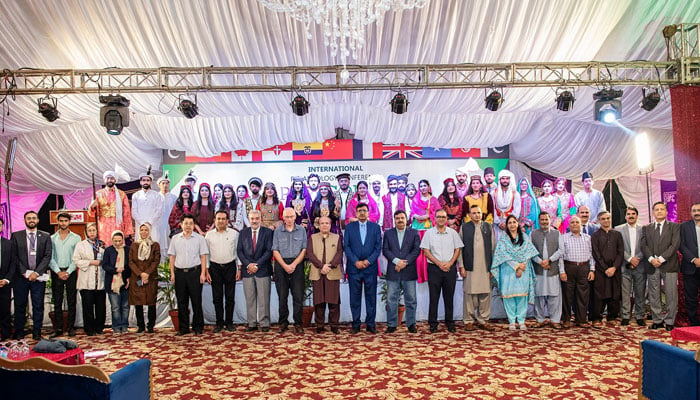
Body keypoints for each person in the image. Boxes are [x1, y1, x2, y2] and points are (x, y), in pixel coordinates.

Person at [492, 215, 538, 330]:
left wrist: (521, 267)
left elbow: (528, 253)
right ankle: (512, 321)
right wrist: (516, 266)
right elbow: (503, 255)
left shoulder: (525, 237)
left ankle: (521, 320)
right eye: (510, 223)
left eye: (514, 222)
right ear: (507, 225)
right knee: (509, 296)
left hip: (524, 269)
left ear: (518, 224)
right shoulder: (503, 239)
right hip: (508, 270)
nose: (512, 224)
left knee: (522, 296)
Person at [421, 209, 464, 333]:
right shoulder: (429, 233)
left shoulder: (452, 233)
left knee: (449, 297)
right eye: (438, 217)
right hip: (434, 268)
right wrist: (439, 264)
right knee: (434, 298)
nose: (441, 219)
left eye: (443, 217)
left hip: (449, 269)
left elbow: (457, 250)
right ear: (435, 218)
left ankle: (450, 322)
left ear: (446, 219)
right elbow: (426, 251)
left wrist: (450, 263)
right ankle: (433, 324)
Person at [12, 211, 52, 340]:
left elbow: (47, 256)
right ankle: (19, 332)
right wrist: (24, 272)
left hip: (38, 278)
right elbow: (14, 256)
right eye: (29, 218)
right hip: (20, 278)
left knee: (38, 305)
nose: (31, 220)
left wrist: (36, 272)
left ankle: (37, 332)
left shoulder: (45, 236)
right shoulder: (16, 236)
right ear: (24, 220)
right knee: (20, 305)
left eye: (34, 218)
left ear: (38, 220)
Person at [343, 203, 382, 334]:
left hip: (370, 268)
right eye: (359, 211)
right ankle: (356, 324)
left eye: (364, 211)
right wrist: (356, 261)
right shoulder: (349, 227)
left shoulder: (375, 227)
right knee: (355, 298)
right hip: (354, 269)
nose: (362, 213)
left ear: (368, 212)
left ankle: (371, 324)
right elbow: (346, 247)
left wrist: (368, 261)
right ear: (356, 213)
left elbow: (378, 248)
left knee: (371, 297)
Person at [641, 201, 680, 331]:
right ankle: (657, 320)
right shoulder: (647, 228)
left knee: (671, 294)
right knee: (653, 294)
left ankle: (670, 321)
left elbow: (674, 245)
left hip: (669, 265)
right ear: (653, 212)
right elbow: (644, 245)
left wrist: (661, 259)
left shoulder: (674, 227)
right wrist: (652, 259)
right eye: (656, 209)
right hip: (652, 265)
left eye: (662, 209)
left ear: (666, 212)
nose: (659, 211)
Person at [168, 214, 209, 335]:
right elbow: (172, 257)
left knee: (196, 301)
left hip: (195, 273)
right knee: (182, 302)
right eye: (186, 223)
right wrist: (172, 273)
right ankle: (183, 328)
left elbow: (203, 256)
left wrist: (203, 273)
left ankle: (198, 327)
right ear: (181, 224)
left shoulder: (199, 239)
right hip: (180, 273)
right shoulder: (175, 238)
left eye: (191, 224)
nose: (188, 226)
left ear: (194, 225)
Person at [382, 210, 421, 333]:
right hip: (393, 270)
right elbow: (385, 250)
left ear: (406, 219)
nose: (400, 220)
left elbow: (416, 251)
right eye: (397, 218)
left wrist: (404, 263)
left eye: (402, 218)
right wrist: (397, 261)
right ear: (394, 220)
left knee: (411, 299)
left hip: (408, 270)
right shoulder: (388, 233)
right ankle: (392, 324)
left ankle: (411, 324)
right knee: (391, 299)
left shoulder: (414, 233)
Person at [459, 205, 495, 331]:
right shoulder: (464, 227)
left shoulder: (488, 227)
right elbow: (460, 249)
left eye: (479, 213)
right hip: (470, 266)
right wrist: (461, 266)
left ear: (482, 214)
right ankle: (468, 320)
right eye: (474, 213)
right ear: (469, 214)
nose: (476, 215)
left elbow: (492, 248)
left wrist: (493, 268)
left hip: (485, 266)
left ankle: (483, 320)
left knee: (485, 293)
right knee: (469, 294)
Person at [272, 208, 308, 334]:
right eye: (286, 217)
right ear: (283, 217)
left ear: (295, 217)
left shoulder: (302, 230)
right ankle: (283, 323)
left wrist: (293, 264)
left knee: (298, 296)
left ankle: (298, 323)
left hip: (297, 264)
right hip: (281, 264)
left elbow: (304, 249)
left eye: (291, 216)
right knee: (282, 296)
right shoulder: (277, 231)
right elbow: (275, 250)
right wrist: (285, 265)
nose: (289, 219)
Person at [237, 210, 274, 332]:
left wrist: (257, 265)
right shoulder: (243, 233)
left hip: (263, 270)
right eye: (252, 218)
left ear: (260, 219)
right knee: (250, 298)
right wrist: (248, 265)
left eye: (257, 218)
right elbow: (240, 251)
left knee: (264, 298)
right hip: (248, 271)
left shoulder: (268, 232)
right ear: (249, 219)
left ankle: (264, 323)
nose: (254, 221)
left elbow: (269, 251)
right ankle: (252, 323)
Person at [307, 216, 344, 334]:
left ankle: (334, 325)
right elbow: (310, 253)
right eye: (322, 223)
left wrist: (330, 266)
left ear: (330, 225)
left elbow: (339, 253)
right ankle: (320, 324)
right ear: (318, 225)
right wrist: (321, 266)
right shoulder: (312, 237)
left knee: (334, 301)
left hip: (332, 272)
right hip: (318, 272)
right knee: (319, 301)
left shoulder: (337, 237)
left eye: (327, 223)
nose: (324, 225)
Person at [206, 210, 240, 333]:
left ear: (227, 221)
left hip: (230, 267)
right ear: (215, 220)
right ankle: (219, 323)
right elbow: (207, 254)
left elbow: (238, 252)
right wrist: (207, 271)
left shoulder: (234, 234)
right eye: (218, 219)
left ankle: (229, 323)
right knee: (217, 297)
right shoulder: (209, 235)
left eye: (223, 219)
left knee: (230, 297)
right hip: (215, 268)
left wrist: (239, 269)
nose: (221, 221)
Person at [559, 216, 595, 328]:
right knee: (567, 295)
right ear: (569, 225)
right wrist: (562, 271)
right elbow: (560, 256)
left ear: (581, 224)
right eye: (572, 222)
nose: (575, 224)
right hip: (569, 266)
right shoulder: (563, 237)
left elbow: (592, 255)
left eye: (577, 222)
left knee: (583, 295)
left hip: (584, 268)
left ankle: (581, 319)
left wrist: (592, 270)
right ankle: (566, 319)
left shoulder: (588, 238)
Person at [48, 212, 81, 337]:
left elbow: (77, 257)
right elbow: (50, 258)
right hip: (57, 272)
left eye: (65, 221)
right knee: (57, 300)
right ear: (58, 222)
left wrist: (68, 271)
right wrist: (58, 272)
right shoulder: (52, 238)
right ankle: (58, 328)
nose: (63, 223)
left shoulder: (76, 238)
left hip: (71, 272)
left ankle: (71, 327)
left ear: (69, 222)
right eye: (61, 221)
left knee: (71, 300)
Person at [590, 211, 624, 328]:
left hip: (615, 269)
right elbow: (596, 254)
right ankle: (597, 318)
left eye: (608, 218)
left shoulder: (617, 234)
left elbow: (621, 253)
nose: (606, 221)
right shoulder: (595, 235)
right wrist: (605, 268)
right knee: (600, 294)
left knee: (614, 294)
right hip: (601, 270)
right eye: (603, 219)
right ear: (599, 221)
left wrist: (614, 267)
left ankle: (612, 317)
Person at [530, 212, 563, 329]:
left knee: (554, 296)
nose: (544, 222)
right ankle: (540, 319)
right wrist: (540, 262)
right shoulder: (533, 234)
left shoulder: (557, 233)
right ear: (539, 221)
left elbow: (561, 250)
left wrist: (549, 260)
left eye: (546, 219)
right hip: (538, 269)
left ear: (550, 220)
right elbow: (530, 251)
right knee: (538, 296)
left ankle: (555, 320)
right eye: (542, 220)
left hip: (552, 269)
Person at [615, 206, 647, 327]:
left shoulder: (643, 229)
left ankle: (639, 316)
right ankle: (625, 316)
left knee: (640, 292)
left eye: (633, 214)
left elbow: (646, 246)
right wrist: (629, 259)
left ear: (637, 216)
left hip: (640, 264)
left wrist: (637, 259)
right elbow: (618, 248)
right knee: (625, 293)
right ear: (625, 216)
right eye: (628, 214)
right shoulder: (618, 229)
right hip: (624, 265)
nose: (631, 216)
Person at [73, 222, 105, 336]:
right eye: (90, 230)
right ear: (86, 232)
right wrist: (91, 262)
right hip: (86, 281)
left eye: (94, 230)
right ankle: (89, 329)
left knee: (101, 307)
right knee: (88, 307)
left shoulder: (101, 245)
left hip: (100, 280)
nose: (92, 233)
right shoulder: (80, 245)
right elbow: (76, 260)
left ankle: (99, 328)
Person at [89, 168, 133, 246]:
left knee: (117, 246)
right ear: (104, 180)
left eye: (112, 178)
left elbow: (127, 213)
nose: (109, 180)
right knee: (103, 246)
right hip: (102, 225)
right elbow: (92, 214)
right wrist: (92, 207)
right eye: (107, 178)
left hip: (117, 224)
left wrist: (127, 231)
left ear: (115, 180)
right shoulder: (98, 194)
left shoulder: (121, 194)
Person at [129, 223, 160, 333]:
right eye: (141, 230)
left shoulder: (155, 245)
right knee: (138, 303)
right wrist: (140, 274)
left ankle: (150, 326)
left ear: (150, 231)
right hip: (137, 278)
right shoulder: (134, 245)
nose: (143, 232)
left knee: (151, 302)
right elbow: (131, 262)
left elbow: (156, 261)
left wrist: (147, 273)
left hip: (151, 278)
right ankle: (140, 326)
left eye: (146, 230)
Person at [411, 179, 441, 283]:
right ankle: (420, 275)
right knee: (419, 251)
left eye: (425, 186)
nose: (423, 188)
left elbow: (438, 214)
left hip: (429, 228)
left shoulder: (433, 200)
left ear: (429, 187)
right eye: (421, 186)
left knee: (429, 250)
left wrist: (428, 216)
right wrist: (415, 216)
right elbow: (411, 213)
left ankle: (429, 275)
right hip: (417, 228)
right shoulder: (415, 199)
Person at [102, 231, 131, 334]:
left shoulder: (127, 250)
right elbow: (104, 265)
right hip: (112, 283)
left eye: (120, 241)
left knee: (125, 306)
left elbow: (130, 265)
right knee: (115, 307)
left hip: (125, 282)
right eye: (115, 241)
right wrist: (115, 270)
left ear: (123, 240)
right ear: (112, 240)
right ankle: (116, 327)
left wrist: (128, 277)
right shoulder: (108, 250)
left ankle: (124, 326)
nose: (118, 243)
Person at [132, 168, 164, 246]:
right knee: (140, 246)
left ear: (150, 182)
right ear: (140, 182)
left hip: (152, 225)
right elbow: (134, 212)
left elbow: (159, 211)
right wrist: (143, 223)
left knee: (153, 245)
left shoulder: (156, 195)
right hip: (140, 226)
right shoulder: (136, 195)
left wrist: (149, 222)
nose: (145, 182)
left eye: (148, 180)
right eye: (144, 180)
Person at [680, 202, 700, 326]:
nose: (697, 213)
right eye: (694, 211)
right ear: (691, 213)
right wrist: (693, 259)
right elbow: (681, 245)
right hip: (690, 268)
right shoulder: (684, 226)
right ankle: (694, 323)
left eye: (699, 210)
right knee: (691, 298)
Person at [156, 173, 178, 262]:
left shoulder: (174, 198)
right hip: (158, 226)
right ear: (158, 185)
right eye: (163, 183)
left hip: (170, 227)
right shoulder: (155, 197)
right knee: (159, 245)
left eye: (167, 183)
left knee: (171, 246)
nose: (165, 185)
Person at [492, 169, 521, 238]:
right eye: (503, 178)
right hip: (497, 223)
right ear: (499, 180)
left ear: (510, 180)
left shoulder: (515, 194)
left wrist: (508, 223)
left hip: (511, 224)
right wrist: (498, 223)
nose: (505, 180)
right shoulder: (493, 193)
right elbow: (492, 209)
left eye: (507, 178)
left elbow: (517, 210)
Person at [0, 218, 12, 341]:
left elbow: (13, 263)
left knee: (4, 309)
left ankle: (5, 335)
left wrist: (7, 279)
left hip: (5, 282)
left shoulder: (8, 243)